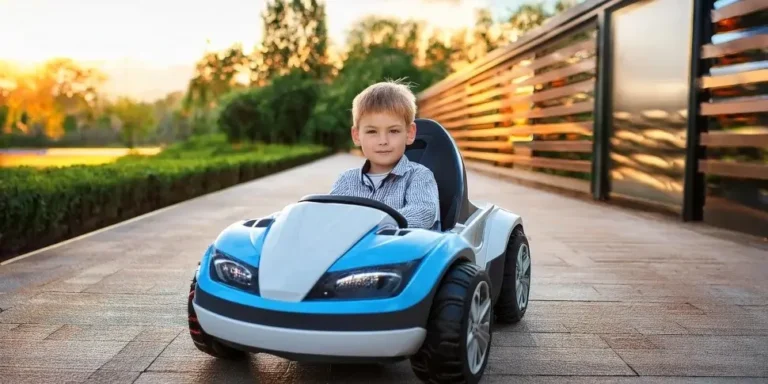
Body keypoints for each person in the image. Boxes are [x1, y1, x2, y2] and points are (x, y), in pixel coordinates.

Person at [329, 79, 440, 230]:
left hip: (401, 251)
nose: (383, 141)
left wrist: (370, 226)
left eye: (393, 131)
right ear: (356, 135)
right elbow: (330, 217)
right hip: (357, 253)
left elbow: (422, 213)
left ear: (409, 133)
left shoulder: (419, 177)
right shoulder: (347, 181)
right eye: (372, 132)